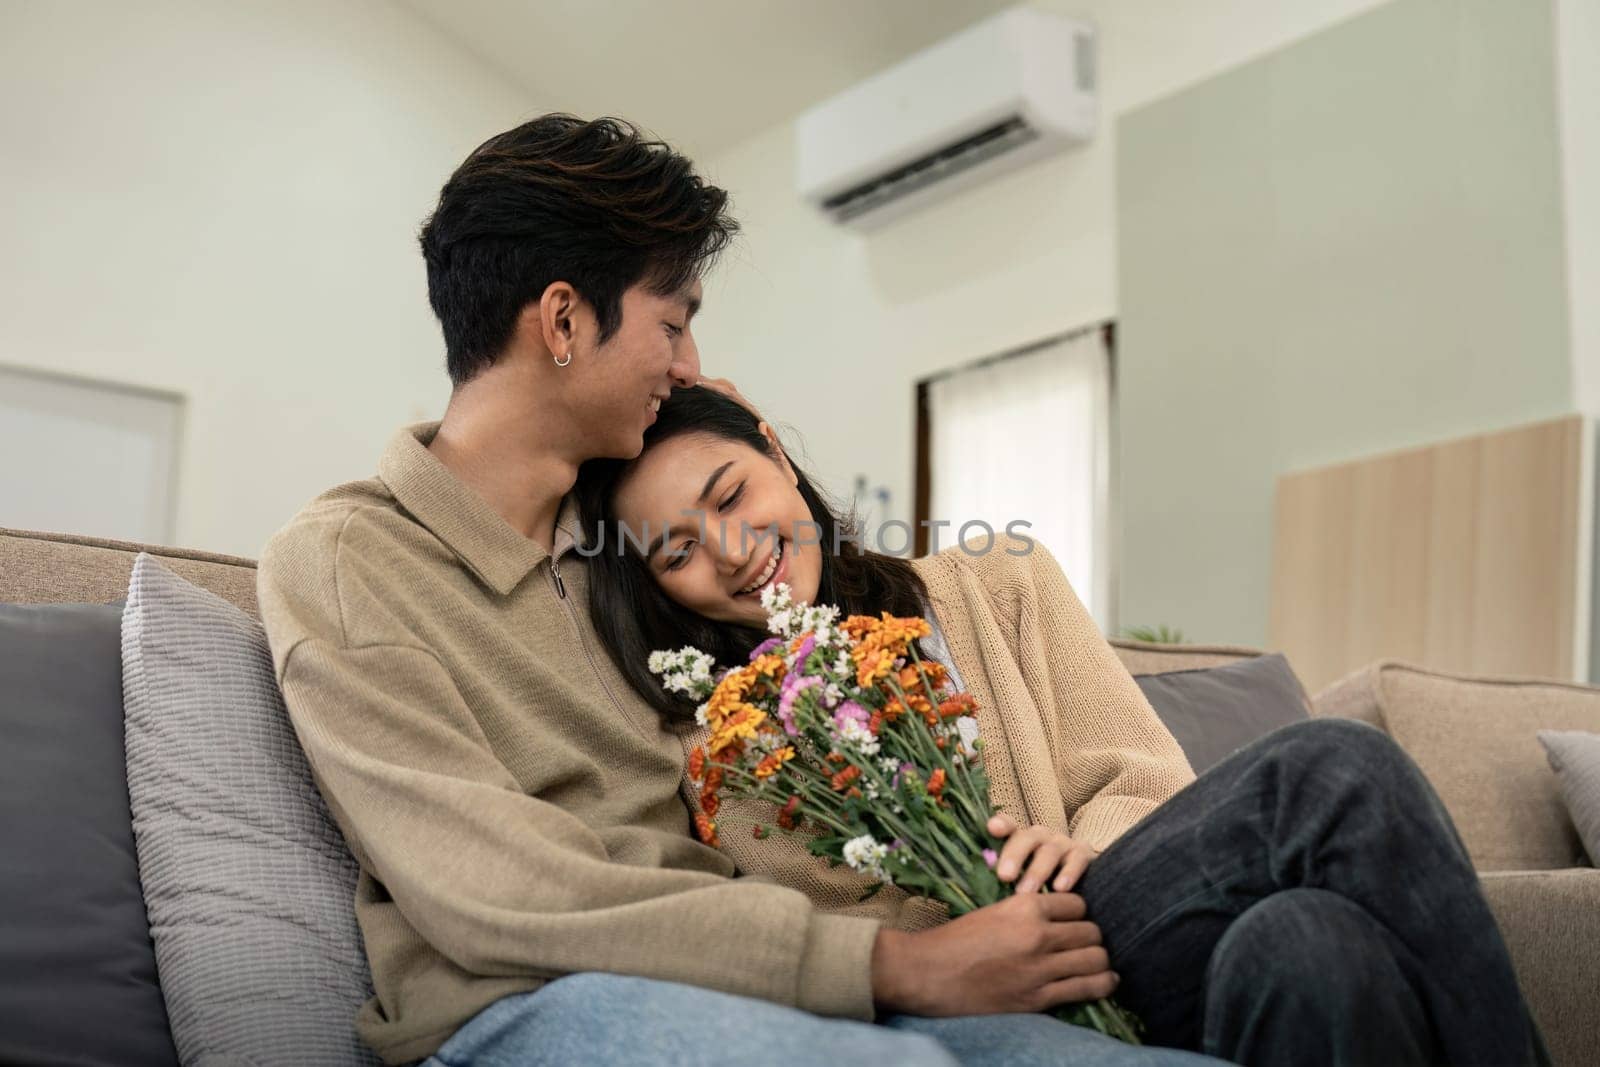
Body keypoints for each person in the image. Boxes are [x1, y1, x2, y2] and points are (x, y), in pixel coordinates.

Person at [258, 114, 1218, 1067]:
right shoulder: (350, 561)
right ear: (562, 320)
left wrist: (743, 448)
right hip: (524, 1006)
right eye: (672, 325)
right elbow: (492, 888)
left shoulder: (632, 559)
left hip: (740, 987)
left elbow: (785, 547)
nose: (688, 367)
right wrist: (891, 964)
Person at [571, 384, 1554, 1067]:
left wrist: (1076, 849)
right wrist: (954, 938)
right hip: (972, 986)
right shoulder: (730, 745)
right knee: (1321, 842)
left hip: (1112, 919)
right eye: (679, 550)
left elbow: (1136, 771)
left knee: (1315, 901)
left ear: (777, 457)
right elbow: (810, 929)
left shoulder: (1001, 582)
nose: (734, 552)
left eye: (733, 495)